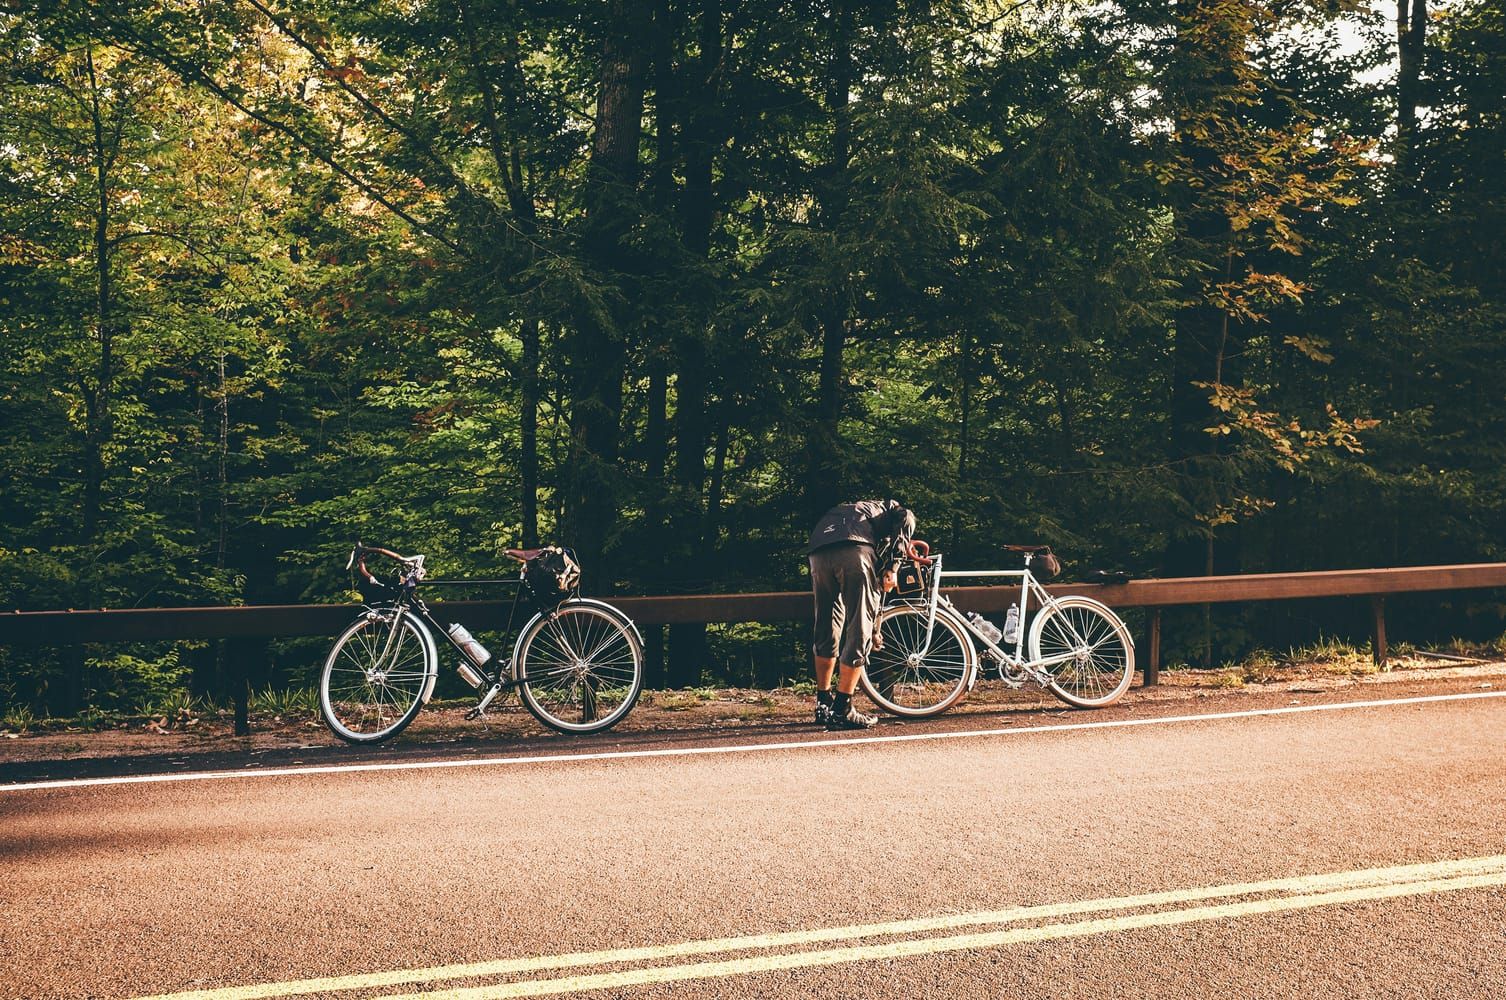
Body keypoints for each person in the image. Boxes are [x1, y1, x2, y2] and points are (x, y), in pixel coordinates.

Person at [807, 499, 916, 730]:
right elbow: (906, 518)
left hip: (818, 551)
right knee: (859, 627)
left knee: (827, 623)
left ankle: (823, 703)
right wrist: (894, 567)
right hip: (854, 550)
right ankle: (842, 709)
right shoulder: (892, 509)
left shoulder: (853, 510)